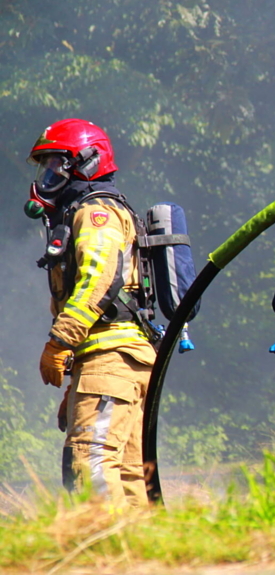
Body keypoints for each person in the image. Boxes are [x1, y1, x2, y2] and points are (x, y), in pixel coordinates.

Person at [26, 118, 155, 509]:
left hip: (110, 360)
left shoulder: (95, 211)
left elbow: (99, 281)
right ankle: (141, 561)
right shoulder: (90, 209)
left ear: (83, 162)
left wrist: (60, 342)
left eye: (54, 165)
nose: (47, 177)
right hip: (116, 359)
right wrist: (79, 378)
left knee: (89, 463)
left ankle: (102, 552)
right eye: (43, 167)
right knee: (130, 474)